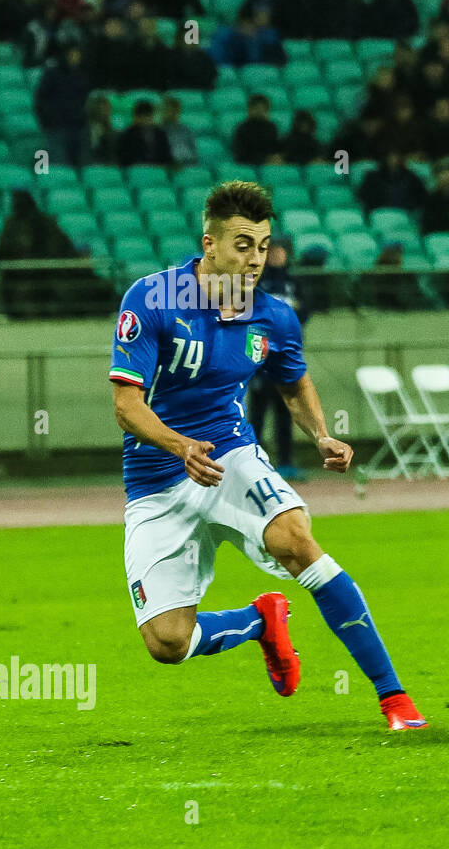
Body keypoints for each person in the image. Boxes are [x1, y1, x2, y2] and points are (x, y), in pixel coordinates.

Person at [107, 180, 427, 731]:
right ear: (209, 244)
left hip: (231, 456)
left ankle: (394, 700)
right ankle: (260, 622)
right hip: (156, 477)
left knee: (297, 540)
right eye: (242, 245)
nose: (255, 259)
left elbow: (293, 384)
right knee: (167, 643)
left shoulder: (274, 316)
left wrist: (320, 434)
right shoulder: (151, 299)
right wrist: (180, 445)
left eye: (262, 245)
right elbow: (126, 404)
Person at [249, 235, 307, 480]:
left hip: (284, 356)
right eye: (271, 252)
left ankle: (286, 461)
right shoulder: (256, 282)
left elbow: (305, 310)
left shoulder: (294, 282)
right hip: (259, 356)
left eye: (279, 252)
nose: (275, 256)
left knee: (286, 411)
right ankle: (252, 461)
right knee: (257, 414)